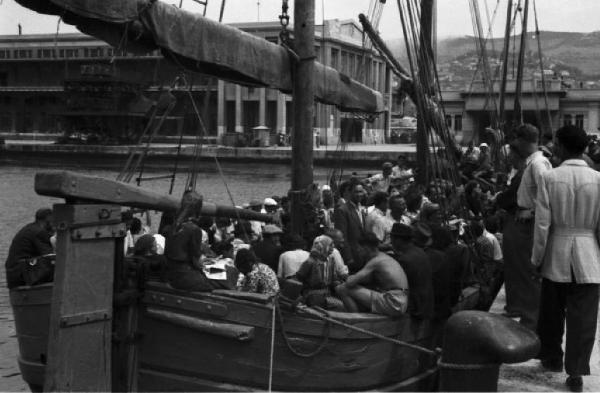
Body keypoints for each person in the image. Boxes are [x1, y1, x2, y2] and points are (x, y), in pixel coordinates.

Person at [532, 125, 600, 392]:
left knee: (551, 312)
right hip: (589, 253)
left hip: (557, 251)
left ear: (560, 145)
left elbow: (542, 225)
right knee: (583, 319)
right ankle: (576, 371)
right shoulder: (598, 179)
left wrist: (537, 258)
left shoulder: (550, 178)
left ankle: (552, 358)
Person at [510, 123, 552, 330]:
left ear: (522, 140)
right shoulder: (533, 163)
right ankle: (529, 321)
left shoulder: (538, 164)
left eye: (516, 139)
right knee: (526, 275)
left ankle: (531, 324)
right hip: (526, 222)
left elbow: (545, 199)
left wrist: (534, 216)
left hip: (529, 225)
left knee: (530, 276)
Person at [164, 191, 237, 291]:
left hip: (170, 274)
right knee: (227, 276)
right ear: (198, 208)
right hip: (184, 277)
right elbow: (195, 260)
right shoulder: (194, 229)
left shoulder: (173, 226)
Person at [335, 232, 409, 316]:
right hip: (401, 301)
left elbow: (350, 282)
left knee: (342, 288)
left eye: (359, 248)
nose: (358, 251)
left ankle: (356, 322)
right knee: (359, 289)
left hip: (394, 302)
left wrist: (347, 277)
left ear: (366, 248)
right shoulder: (384, 257)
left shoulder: (375, 261)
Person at [390, 223, 434, 320]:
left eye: (392, 239)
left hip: (416, 308)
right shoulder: (420, 252)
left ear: (398, 240)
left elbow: (395, 286)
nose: (391, 242)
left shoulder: (405, 260)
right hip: (427, 304)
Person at [5, 208, 55, 288]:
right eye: (53, 222)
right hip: (23, 276)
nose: (54, 225)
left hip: (14, 275)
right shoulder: (39, 233)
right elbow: (50, 256)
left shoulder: (29, 228)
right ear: (48, 221)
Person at [295, 235, 346, 309]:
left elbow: (334, 279)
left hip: (327, 295)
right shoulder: (310, 262)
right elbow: (298, 279)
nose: (333, 247)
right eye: (330, 245)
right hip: (312, 296)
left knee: (341, 306)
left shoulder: (331, 261)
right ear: (322, 246)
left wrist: (340, 286)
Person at [333, 181, 367, 273]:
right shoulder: (342, 210)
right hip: (352, 256)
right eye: (356, 192)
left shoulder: (362, 209)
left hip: (364, 254)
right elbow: (342, 237)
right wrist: (348, 258)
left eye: (361, 191)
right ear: (349, 192)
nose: (359, 194)